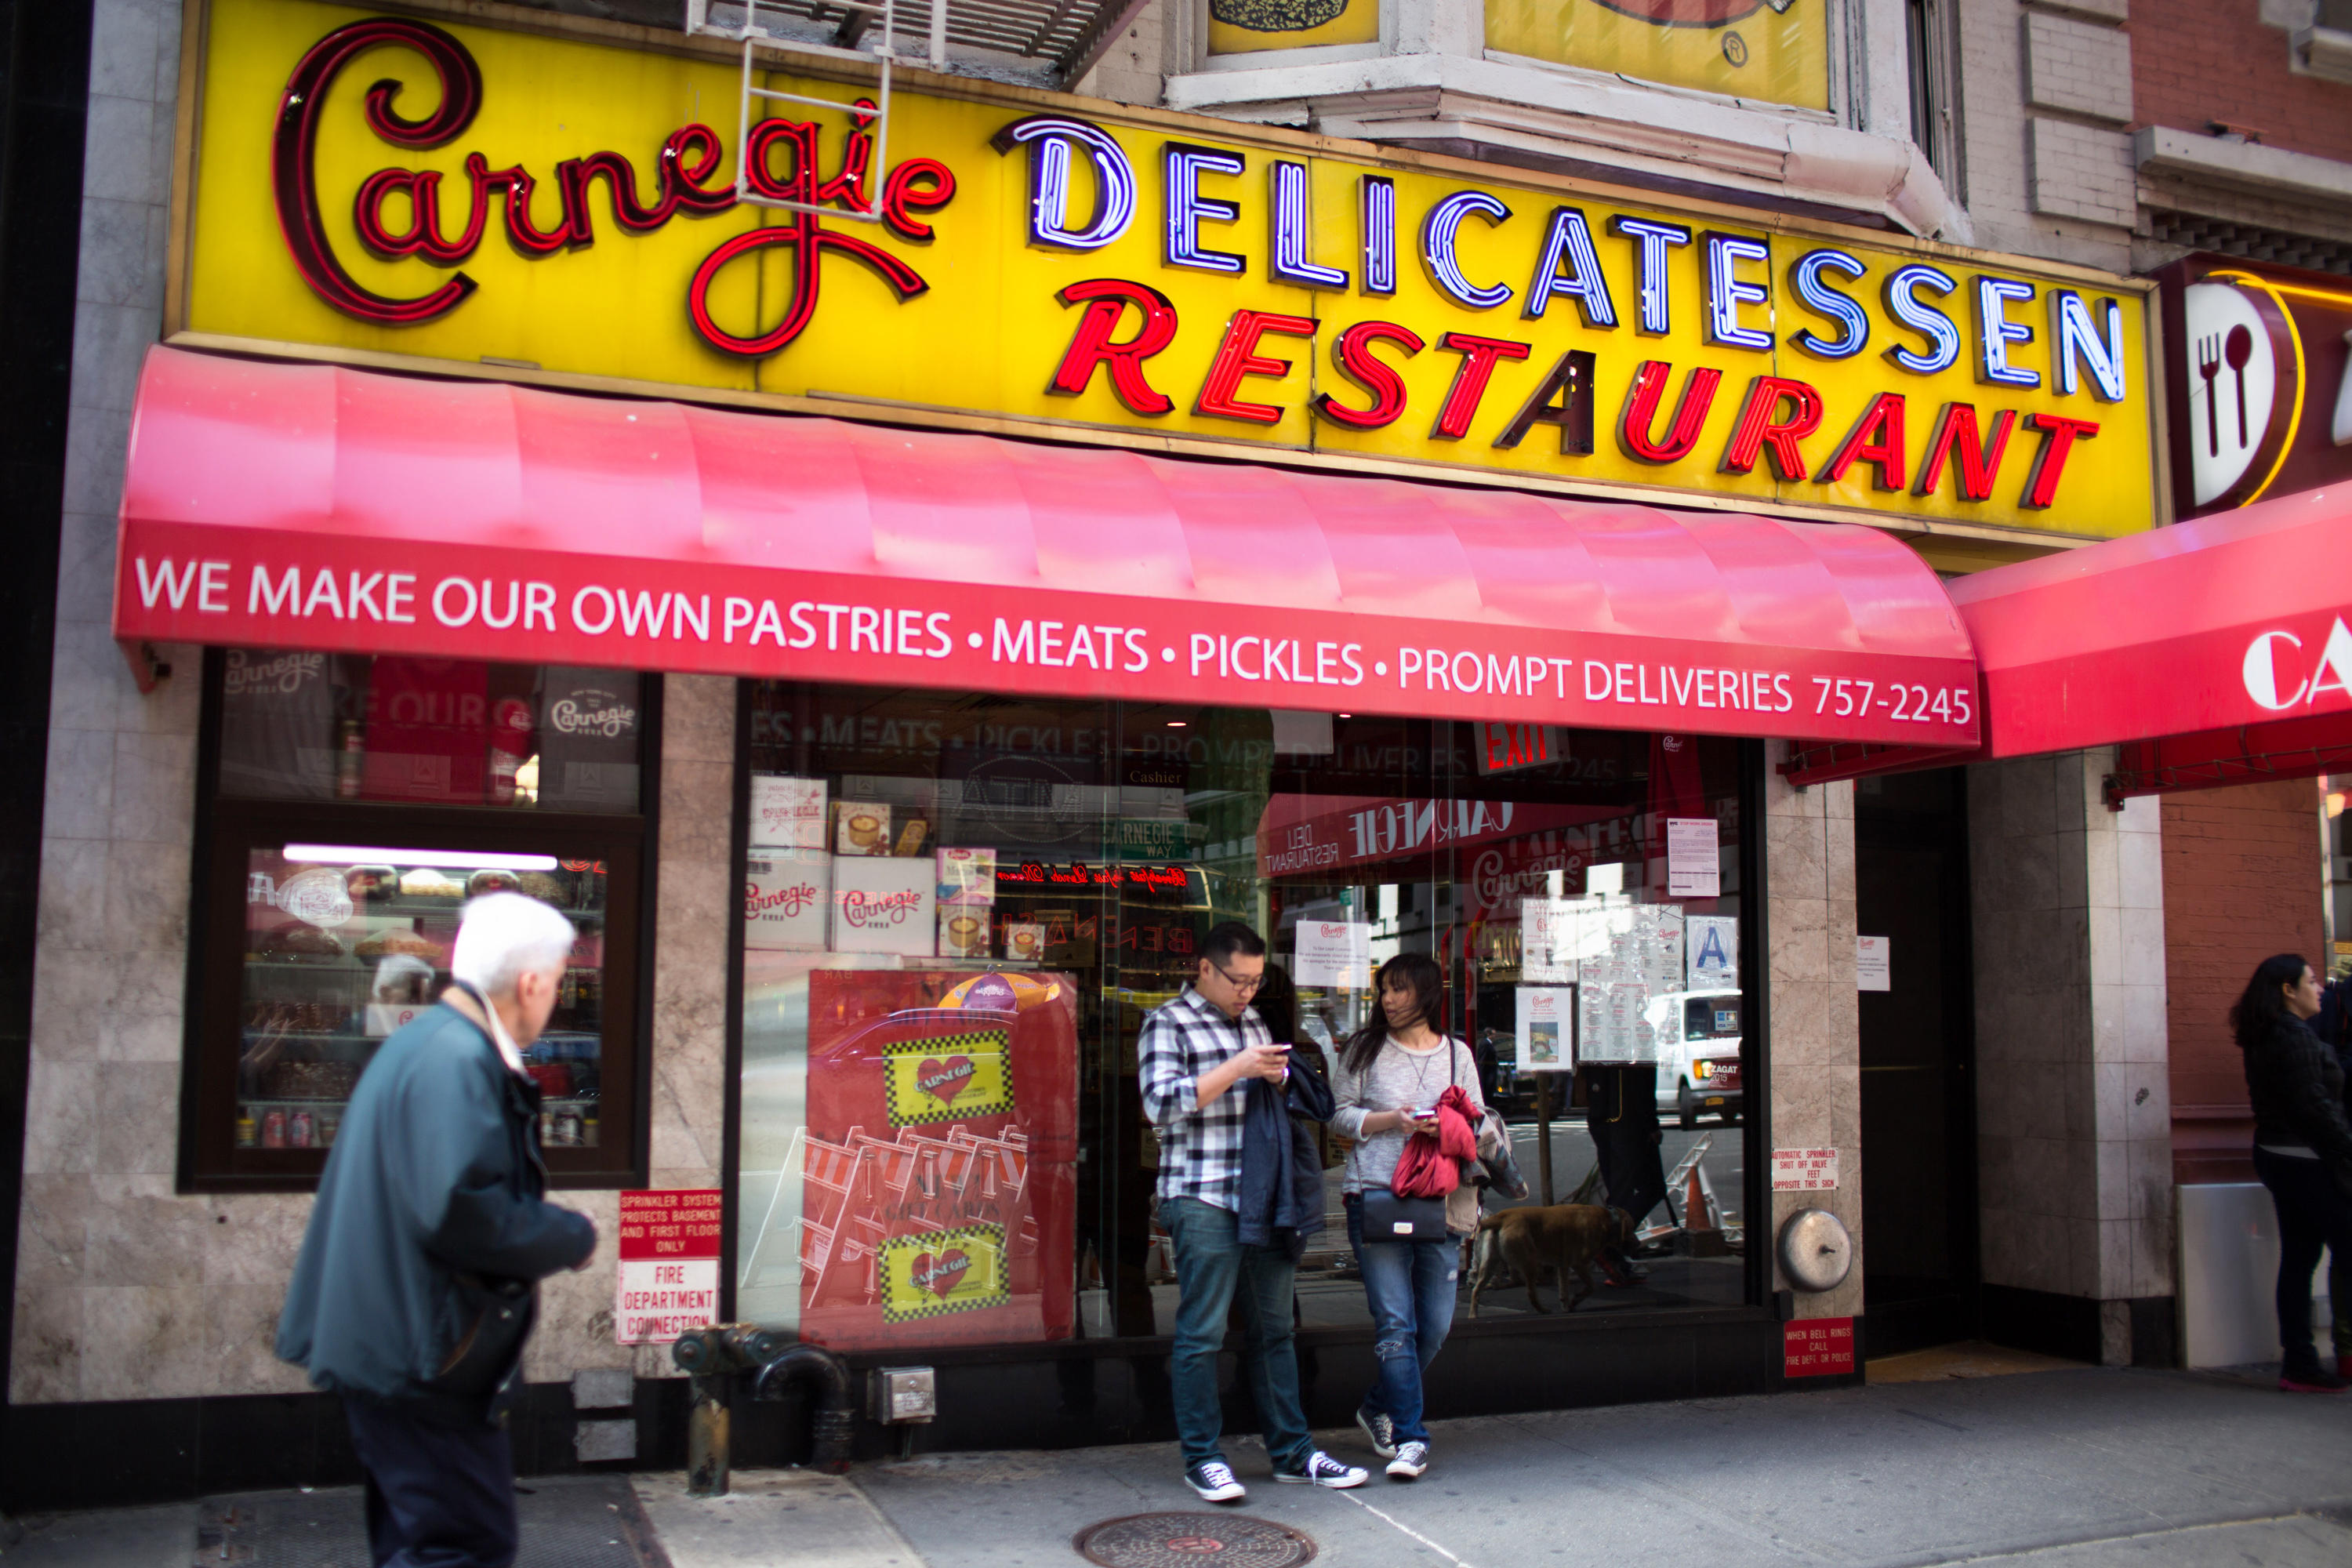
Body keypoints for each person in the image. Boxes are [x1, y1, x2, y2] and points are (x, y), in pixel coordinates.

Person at [278, 893, 599, 1566]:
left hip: (398, 1346)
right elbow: (459, 1208)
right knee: (465, 1545)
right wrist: (567, 1235)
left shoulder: (430, 1044)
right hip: (422, 1358)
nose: (557, 996)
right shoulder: (456, 1059)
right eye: (560, 980)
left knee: (420, 1542)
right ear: (533, 982)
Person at [1140, 921, 1368, 1502]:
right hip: (1203, 1194)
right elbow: (1159, 1105)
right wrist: (1240, 1067)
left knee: (1275, 1332)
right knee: (1201, 1334)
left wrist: (1279, 1073)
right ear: (1205, 969)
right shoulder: (1167, 1022)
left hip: (1266, 1197)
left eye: (1256, 981)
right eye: (1238, 980)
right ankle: (1203, 1459)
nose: (1247, 991)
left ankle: (1293, 1453)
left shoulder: (1255, 1021)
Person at [1329, 952, 1486, 1481]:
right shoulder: (1364, 1048)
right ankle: (1412, 1440)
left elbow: (1479, 1119)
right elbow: (1339, 1116)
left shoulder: (1456, 1054)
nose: (1388, 1000)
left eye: (1398, 990)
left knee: (1436, 1325)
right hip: (1374, 1196)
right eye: (1383, 990)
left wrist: (1447, 1123)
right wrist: (1391, 1120)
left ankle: (1378, 1406)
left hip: (1439, 1199)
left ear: (1426, 993)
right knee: (1395, 1323)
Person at [2232, 952, 2352, 1392]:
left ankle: (2299, 1363)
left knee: (2300, 1259)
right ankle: (2305, 1361)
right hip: (2308, 1161)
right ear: (2288, 989)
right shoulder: (2293, 1036)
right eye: (2311, 980)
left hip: (2279, 1156)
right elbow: (2314, 1106)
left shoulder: (2267, 1034)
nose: (2320, 987)